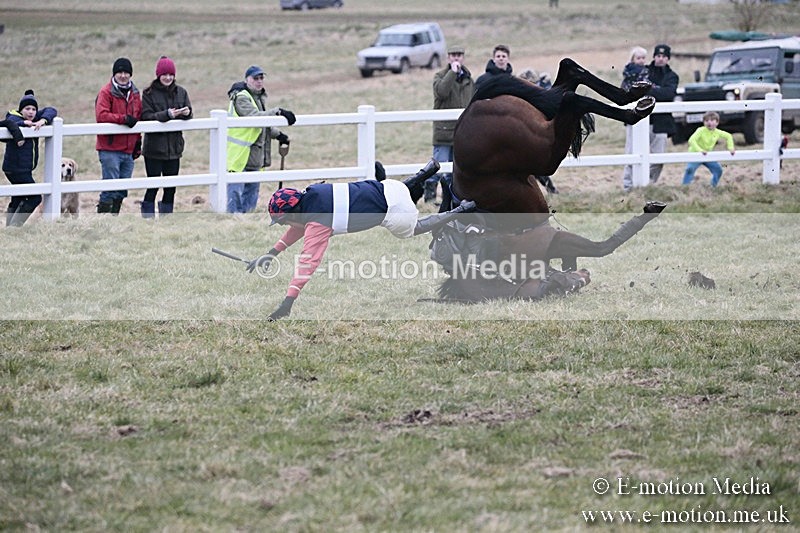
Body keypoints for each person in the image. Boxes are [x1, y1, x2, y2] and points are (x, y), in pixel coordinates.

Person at [247, 159, 477, 320]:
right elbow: (298, 228)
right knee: (382, 192)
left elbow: (308, 261)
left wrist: (288, 302)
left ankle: (460, 210)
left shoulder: (318, 223)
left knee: (411, 229)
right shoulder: (313, 193)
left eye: (284, 220)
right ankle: (423, 174)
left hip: (395, 210)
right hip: (391, 187)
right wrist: (271, 253)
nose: (286, 225)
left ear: (293, 213)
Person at [226, 65, 296, 214]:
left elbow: (262, 124)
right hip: (240, 153)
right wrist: (277, 112)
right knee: (235, 192)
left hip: (254, 153)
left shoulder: (257, 97)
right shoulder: (242, 97)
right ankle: (233, 219)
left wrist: (278, 135)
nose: (259, 81)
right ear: (247, 80)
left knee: (251, 193)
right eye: (255, 78)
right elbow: (254, 118)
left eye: (261, 78)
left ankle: (247, 220)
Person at [139, 56, 193, 218]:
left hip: (174, 148)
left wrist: (187, 113)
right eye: (165, 74)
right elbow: (146, 116)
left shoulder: (181, 92)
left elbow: (189, 111)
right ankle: (147, 218)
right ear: (158, 75)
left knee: (171, 187)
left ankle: (166, 218)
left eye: (171, 74)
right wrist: (167, 114)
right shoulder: (148, 93)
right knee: (153, 185)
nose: (168, 78)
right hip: (154, 149)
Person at [621, 44, 679, 191]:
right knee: (631, 155)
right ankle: (628, 187)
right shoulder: (643, 71)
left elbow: (668, 94)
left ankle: (648, 185)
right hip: (637, 119)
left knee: (658, 158)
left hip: (660, 122)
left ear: (668, 58)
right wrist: (654, 90)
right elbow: (631, 89)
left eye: (664, 56)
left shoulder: (672, 76)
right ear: (654, 57)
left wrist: (649, 90)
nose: (660, 59)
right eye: (658, 56)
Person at [426, 45, 474, 204]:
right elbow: (442, 92)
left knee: (456, 169)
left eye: (459, 55)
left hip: (463, 132)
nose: (456, 58)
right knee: (438, 167)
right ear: (448, 58)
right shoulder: (439, 76)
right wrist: (452, 73)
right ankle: (430, 197)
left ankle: (451, 199)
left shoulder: (468, 78)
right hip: (444, 131)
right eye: (453, 55)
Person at [3, 90, 58, 227]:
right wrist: (24, 124)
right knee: (35, 197)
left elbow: (52, 110)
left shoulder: (34, 118)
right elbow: (11, 121)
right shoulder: (14, 117)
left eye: (34, 109)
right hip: (16, 168)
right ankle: (15, 226)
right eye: (27, 108)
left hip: (23, 168)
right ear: (21, 110)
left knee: (18, 196)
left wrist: (43, 120)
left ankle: (9, 227)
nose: (31, 112)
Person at [95, 57, 143, 214]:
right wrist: (123, 119)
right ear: (114, 74)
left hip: (128, 149)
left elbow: (138, 118)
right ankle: (103, 219)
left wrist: (137, 142)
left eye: (126, 72)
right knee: (110, 185)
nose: (123, 75)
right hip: (110, 148)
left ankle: (114, 217)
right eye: (120, 72)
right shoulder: (106, 92)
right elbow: (101, 115)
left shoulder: (135, 93)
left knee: (122, 188)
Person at [518, 69, 558, 194]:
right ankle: (548, 189)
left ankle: (549, 189)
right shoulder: (517, 97)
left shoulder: (536, 95)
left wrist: (548, 84)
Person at [682, 111, 735, 187]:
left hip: (708, 155)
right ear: (703, 122)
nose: (709, 123)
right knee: (690, 169)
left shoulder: (717, 132)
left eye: (712, 120)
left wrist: (731, 148)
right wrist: (700, 150)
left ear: (717, 122)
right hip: (695, 154)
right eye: (706, 121)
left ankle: (713, 186)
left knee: (718, 170)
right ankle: (685, 187)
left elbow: (728, 136)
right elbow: (691, 140)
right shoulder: (700, 130)